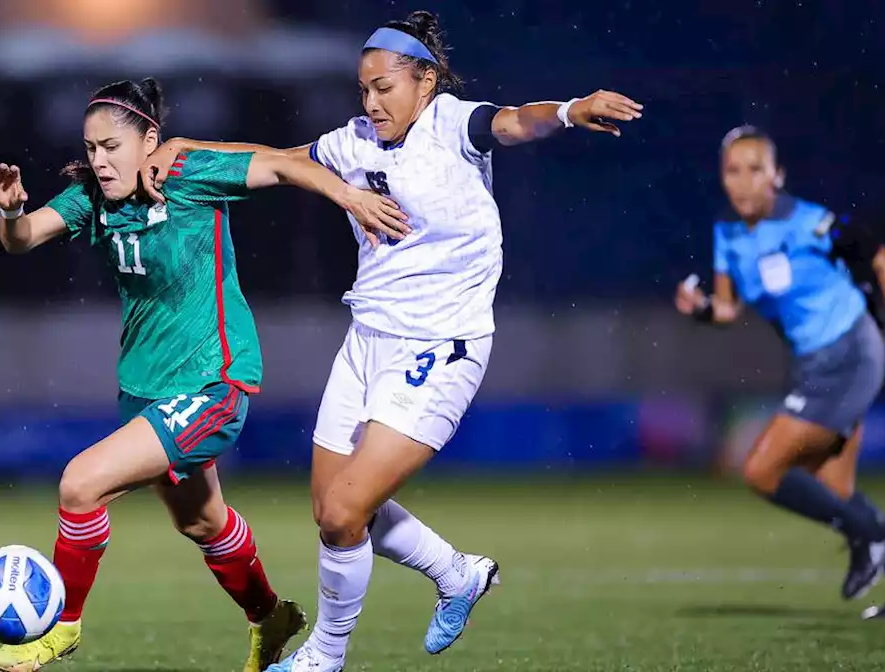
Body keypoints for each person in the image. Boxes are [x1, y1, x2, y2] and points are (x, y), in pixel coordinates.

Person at [141, 11, 643, 671]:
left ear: (425, 83)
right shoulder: (353, 142)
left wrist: (572, 109)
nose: (371, 102)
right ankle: (457, 574)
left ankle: (328, 653)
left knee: (347, 510)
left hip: (440, 345)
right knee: (331, 509)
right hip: (367, 340)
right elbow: (279, 164)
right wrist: (187, 151)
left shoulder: (452, 125)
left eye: (384, 88)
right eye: (363, 89)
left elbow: (519, 120)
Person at [0, 77, 409, 672]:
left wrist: (349, 198)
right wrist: (13, 211)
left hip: (212, 383)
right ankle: (270, 616)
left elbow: (281, 166)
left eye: (111, 146)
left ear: (148, 140)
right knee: (202, 521)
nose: (99, 160)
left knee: (80, 484)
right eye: (91, 148)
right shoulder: (92, 201)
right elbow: (22, 240)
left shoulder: (187, 175)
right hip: (145, 389)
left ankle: (62, 627)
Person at [675, 125, 885, 621]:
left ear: (777, 176)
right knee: (836, 495)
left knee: (761, 469)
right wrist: (698, 308)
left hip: (852, 352)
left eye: (756, 169)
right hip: (811, 364)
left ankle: (878, 535)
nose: (743, 181)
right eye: (733, 170)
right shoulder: (727, 231)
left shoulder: (810, 223)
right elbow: (729, 309)